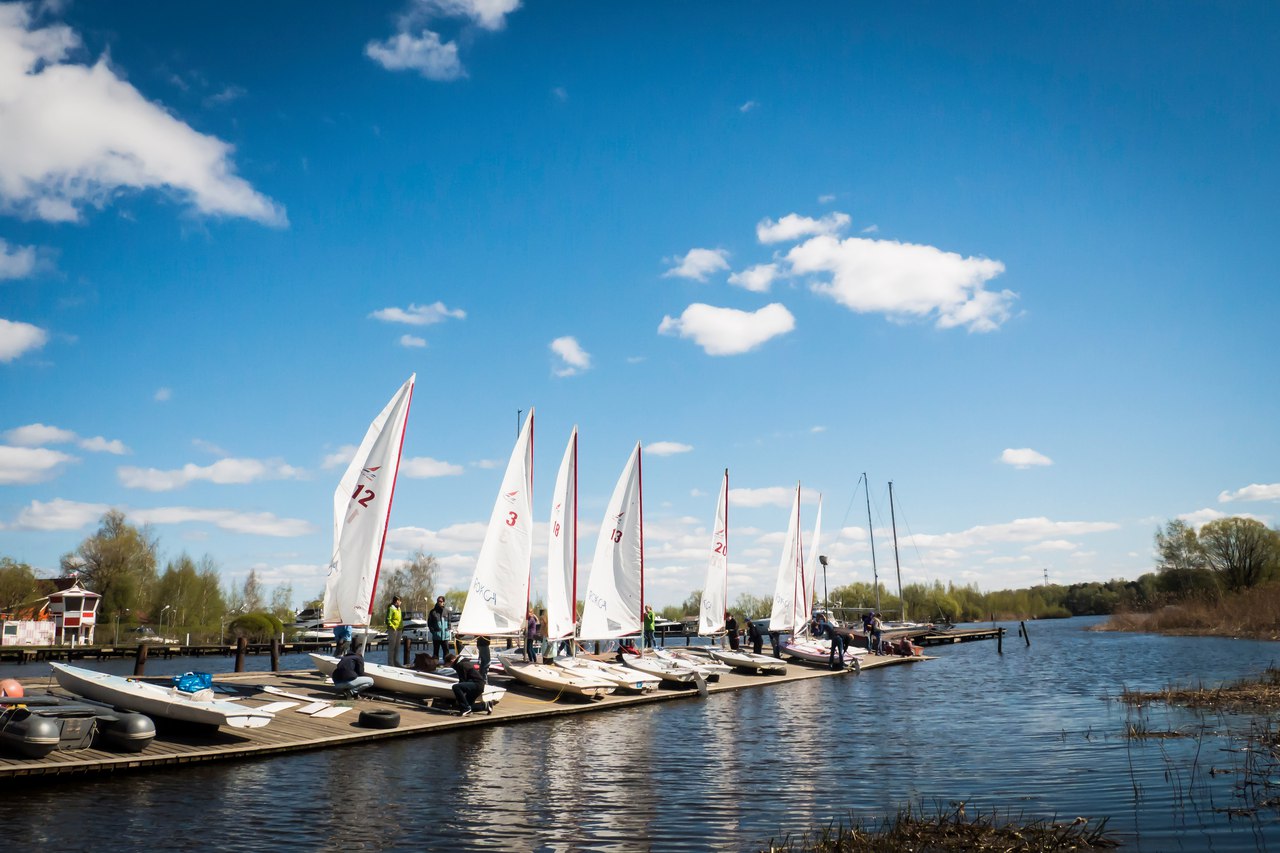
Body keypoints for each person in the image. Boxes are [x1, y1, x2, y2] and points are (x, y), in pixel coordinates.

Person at [445, 652, 489, 716]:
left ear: (452, 660)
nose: (451, 666)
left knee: (456, 687)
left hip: (476, 684)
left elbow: (463, 680)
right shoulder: (463, 662)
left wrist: (458, 695)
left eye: (450, 664)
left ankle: (465, 709)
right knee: (467, 705)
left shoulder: (461, 665)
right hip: (479, 684)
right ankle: (484, 706)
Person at [428, 596, 451, 661]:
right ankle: (435, 664)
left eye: (440, 601)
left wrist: (448, 629)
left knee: (446, 652)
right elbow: (430, 623)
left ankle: (447, 664)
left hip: (445, 636)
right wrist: (433, 632)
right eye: (438, 601)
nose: (439, 602)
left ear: (443, 602)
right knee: (435, 653)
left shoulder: (447, 611)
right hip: (436, 636)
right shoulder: (432, 612)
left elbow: (449, 622)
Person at [385, 596, 404, 667]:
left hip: (399, 629)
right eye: (400, 601)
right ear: (397, 601)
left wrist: (402, 627)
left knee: (397, 647)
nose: (401, 602)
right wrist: (393, 626)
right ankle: (390, 663)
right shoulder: (391, 608)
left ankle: (396, 661)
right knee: (392, 647)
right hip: (393, 629)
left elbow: (400, 619)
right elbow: (387, 620)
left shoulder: (399, 609)